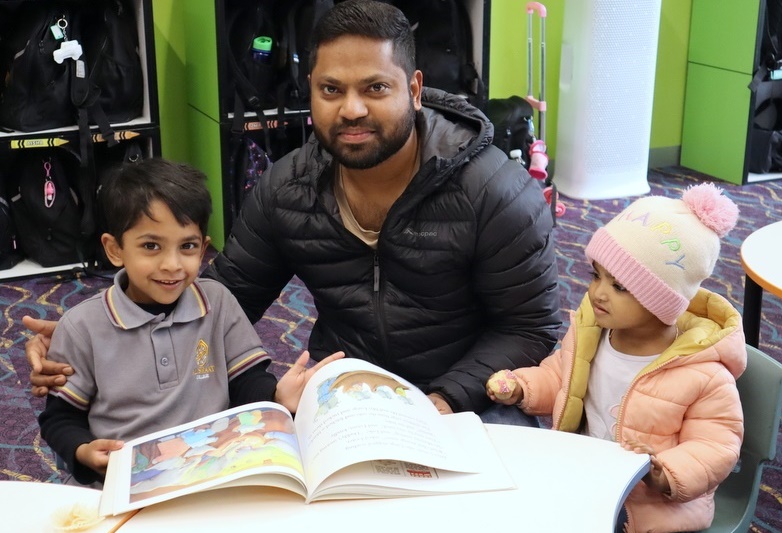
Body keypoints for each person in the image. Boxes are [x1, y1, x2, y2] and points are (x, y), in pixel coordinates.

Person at [25, 0, 560, 422]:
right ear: (311, 91)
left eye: (375, 88)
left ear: (414, 89)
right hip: (344, 394)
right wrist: (95, 330)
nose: (351, 109)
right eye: (332, 89)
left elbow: (531, 328)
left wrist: (442, 401)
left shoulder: (496, 191)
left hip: (472, 395)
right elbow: (225, 296)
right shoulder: (289, 188)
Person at [36, 158, 342, 487]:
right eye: (151, 246)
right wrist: (84, 451)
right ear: (114, 249)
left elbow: (246, 382)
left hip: (216, 471)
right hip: (130, 484)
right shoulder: (83, 327)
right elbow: (60, 417)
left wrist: (277, 397)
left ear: (204, 247)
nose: (172, 265)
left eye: (187, 247)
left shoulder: (218, 302)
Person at [485, 183, 746, 533]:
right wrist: (522, 387)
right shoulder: (593, 332)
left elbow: (715, 445)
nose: (598, 292)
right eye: (597, 275)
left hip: (647, 504)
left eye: (619, 287)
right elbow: (562, 375)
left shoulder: (704, 373)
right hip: (585, 471)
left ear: (661, 302)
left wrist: (662, 472)